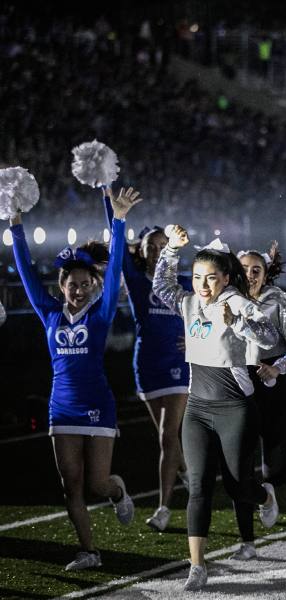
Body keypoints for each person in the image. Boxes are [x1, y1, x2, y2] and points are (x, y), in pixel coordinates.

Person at [8, 187, 141, 571]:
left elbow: (114, 268)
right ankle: (89, 551)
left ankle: (117, 492)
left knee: (98, 484)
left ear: (93, 287)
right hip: (61, 407)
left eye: (85, 285)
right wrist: (15, 223)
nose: (79, 290)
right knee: (71, 484)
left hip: (98, 405)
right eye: (72, 285)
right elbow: (29, 272)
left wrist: (118, 220)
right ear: (61, 286)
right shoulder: (48, 312)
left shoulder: (100, 316)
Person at [154, 226, 280, 591]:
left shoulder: (238, 301)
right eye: (197, 278)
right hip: (197, 408)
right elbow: (162, 287)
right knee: (198, 487)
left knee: (240, 487)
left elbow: (269, 338)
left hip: (235, 409)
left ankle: (264, 494)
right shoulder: (190, 302)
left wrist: (238, 323)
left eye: (211, 278)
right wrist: (172, 250)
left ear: (225, 278)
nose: (203, 286)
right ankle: (197, 566)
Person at [101, 191, 190, 532]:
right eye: (151, 246)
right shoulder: (138, 283)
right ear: (142, 251)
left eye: (163, 245)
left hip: (179, 366)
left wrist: (197, 340)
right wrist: (106, 195)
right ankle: (187, 476)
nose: (156, 251)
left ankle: (164, 508)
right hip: (147, 367)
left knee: (167, 437)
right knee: (168, 439)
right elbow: (117, 246)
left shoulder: (187, 283)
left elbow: (215, 314)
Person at [230, 244, 286, 560]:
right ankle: (247, 543)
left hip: (271, 388)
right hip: (238, 388)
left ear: (266, 273)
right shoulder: (224, 299)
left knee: (274, 472)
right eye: (244, 269)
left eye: (257, 270)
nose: (250, 275)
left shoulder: (278, 301)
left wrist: (276, 367)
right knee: (239, 471)